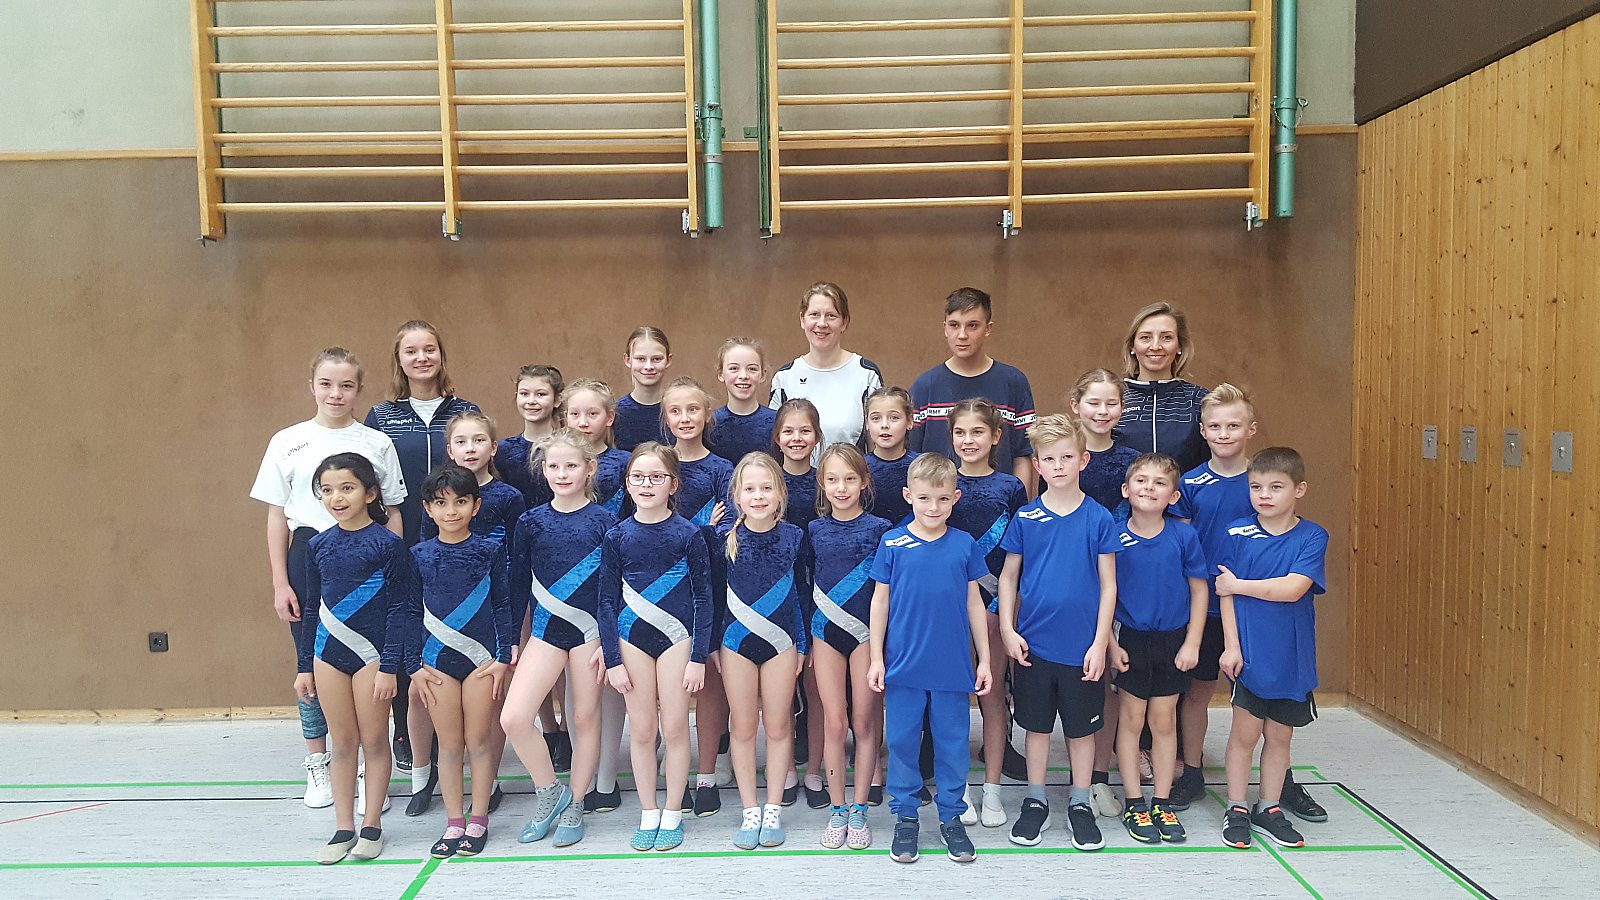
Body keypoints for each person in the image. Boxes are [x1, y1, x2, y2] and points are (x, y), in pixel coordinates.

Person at [251, 348, 406, 810]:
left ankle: (365, 769)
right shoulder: (287, 441)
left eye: (346, 385)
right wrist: (281, 582)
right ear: (312, 387)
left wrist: (393, 567)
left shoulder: (377, 442)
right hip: (309, 554)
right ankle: (319, 762)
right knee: (315, 661)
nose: (335, 394)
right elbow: (277, 516)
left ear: (359, 390)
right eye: (326, 384)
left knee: (371, 659)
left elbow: (394, 510)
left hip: (368, 560)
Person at [996, 414, 1121, 852]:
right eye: (1049, 459)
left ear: (1083, 460)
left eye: (1067, 457)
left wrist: (1101, 642)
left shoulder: (1099, 518)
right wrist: (1007, 629)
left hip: (1082, 648)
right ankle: (1035, 801)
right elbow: (1008, 577)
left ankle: (1080, 802)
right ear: (1037, 465)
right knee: (1035, 728)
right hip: (1034, 646)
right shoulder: (1026, 517)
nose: (1059, 465)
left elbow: (1109, 585)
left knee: (1081, 731)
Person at [363, 320, 479, 789]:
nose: (421, 358)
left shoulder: (465, 410)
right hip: (402, 540)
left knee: (451, 639)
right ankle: (408, 738)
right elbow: (371, 483)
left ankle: (458, 744)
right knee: (405, 634)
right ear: (399, 359)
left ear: (441, 355)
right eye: (411, 351)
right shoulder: (381, 416)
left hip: (454, 546)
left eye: (429, 349)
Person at [869, 453, 992, 865]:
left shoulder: (964, 545)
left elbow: (975, 603)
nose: (933, 507)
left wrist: (984, 660)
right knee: (902, 742)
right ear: (909, 496)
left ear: (955, 498)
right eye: (924, 498)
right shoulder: (892, 543)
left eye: (942, 499)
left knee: (953, 744)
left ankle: (952, 817)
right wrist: (876, 659)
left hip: (952, 667)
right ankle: (906, 817)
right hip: (903, 666)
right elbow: (880, 602)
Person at [293, 453, 411, 864]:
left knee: (374, 739)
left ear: (371, 493)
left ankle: (372, 824)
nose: (337, 498)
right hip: (328, 653)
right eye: (327, 490)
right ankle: (343, 827)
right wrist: (304, 665)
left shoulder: (389, 545)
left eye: (347, 488)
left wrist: (390, 667)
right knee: (342, 742)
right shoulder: (317, 545)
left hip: (372, 656)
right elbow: (312, 607)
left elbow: (399, 608)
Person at [597, 443, 713, 852]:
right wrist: (613, 659)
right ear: (628, 484)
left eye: (657, 477)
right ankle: (649, 811)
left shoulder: (689, 533)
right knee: (643, 730)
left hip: (677, 639)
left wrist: (698, 657)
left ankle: (674, 811)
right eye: (639, 477)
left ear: (673, 484)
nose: (647, 484)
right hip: (632, 640)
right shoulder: (616, 535)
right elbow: (606, 601)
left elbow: (703, 598)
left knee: (676, 727)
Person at [504, 429, 616, 848]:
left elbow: (614, 588)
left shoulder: (606, 522)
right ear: (543, 470)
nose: (562, 473)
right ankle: (551, 791)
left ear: (589, 468)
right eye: (554, 466)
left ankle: (577, 802)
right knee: (515, 717)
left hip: (590, 633)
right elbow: (518, 583)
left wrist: (609, 642)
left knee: (585, 719)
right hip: (546, 632)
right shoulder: (531, 521)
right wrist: (512, 638)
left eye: (571, 465)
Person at [1217, 447, 1329, 850]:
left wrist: (1239, 585)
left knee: (1280, 738)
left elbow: (1293, 588)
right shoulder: (1235, 533)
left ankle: (1268, 807)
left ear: (1299, 489)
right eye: (1256, 487)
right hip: (1249, 656)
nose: (1264, 495)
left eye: (1276, 487)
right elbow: (1223, 592)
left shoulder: (1313, 536)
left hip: (1291, 659)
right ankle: (1236, 808)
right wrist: (1231, 646)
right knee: (1244, 736)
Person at [405, 467, 515, 859]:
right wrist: (412, 665)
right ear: (428, 509)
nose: (451, 510)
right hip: (436, 663)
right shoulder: (418, 556)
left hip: (482, 661)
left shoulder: (490, 551)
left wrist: (503, 658)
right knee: (449, 744)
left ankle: (478, 818)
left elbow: (503, 604)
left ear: (475, 506)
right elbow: (408, 612)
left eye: (461, 501)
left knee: (479, 741)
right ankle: (453, 820)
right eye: (441, 503)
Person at [1167, 383, 1263, 811]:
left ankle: (1280, 777)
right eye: (1215, 426)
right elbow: (1181, 546)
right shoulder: (1190, 484)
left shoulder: (1263, 482)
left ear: (1250, 429)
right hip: (1204, 608)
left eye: (1234, 426)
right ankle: (1192, 771)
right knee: (1197, 692)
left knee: (1265, 695)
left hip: (1254, 605)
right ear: (1203, 431)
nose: (1224, 434)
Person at [1108, 453, 1207, 844]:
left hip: (1173, 641)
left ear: (1173, 495)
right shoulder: (1113, 536)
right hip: (1130, 640)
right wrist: (1111, 643)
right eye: (1141, 480)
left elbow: (1199, 590)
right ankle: (1135, 802)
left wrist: (1193, 642)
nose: (1149, 488)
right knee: (1131, 721)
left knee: (1164, 722)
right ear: (1125, 489)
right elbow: (1102, 594)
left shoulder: (1183, 536)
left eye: (1160, 482)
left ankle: (1162, 801)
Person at [718, 453, 809, 849]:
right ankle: (749, 810)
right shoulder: (721, 539)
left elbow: (802, 592)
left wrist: (802, 644)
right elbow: (711, 598)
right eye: (750, 489)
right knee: (742, 727)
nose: (758, 496)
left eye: (766, 488)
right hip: (735, 643)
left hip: (782, 642)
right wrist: (712, 647)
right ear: (737, 495)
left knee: (778, 726)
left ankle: (772, 809)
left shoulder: (794, 537)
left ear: (780, 494)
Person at [944, 398, 1028, 828]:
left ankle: (992, 787)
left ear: (996, 437)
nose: (968, 440)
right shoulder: (944, 481)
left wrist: (1004, 611)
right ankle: (957, 788)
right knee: (955, 698)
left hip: (996, 605)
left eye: (977, 432)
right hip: (949, 605)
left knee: (991, 695)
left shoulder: (1011, 487)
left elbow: (1017, 556)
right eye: (960, 432)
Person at [809, 444, 891, 850]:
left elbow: (886, 592)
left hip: (866, 635)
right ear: (822, 484)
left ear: (864, 482)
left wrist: (880, 646)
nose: (841, 488)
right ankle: (837, 808)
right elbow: (804, 581)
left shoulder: (881, 530)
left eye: (849, 479)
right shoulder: (813, 530)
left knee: (864, 722)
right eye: (832, 480)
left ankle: (859, 808)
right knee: (834, 722)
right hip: (824, 631)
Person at [661, 377, 735, 815]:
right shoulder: (657, 464)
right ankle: (675, 771)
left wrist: (705, 528)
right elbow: (649, 527)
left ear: (707, 415)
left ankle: (706, 772)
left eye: (693, 409)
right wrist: (702, 524)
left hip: (713, 584)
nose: (685, 418)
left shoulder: (722, 469)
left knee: (708, 679)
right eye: (676, 411)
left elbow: (728, 531)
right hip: (665, 589)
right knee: (670, 684)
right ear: (665, 417)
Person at [908, 288, 1036, 494]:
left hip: (998, 507)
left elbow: (1023, 454)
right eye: (954, 325)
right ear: (945, 328)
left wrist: (1019, 508)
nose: (962, 335)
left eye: (972, 326)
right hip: (938, 507)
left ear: (988, 328)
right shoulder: (925, 386)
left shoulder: (1014, 382)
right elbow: (913, 458)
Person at [770, 282, 884, 449]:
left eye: (831, 316)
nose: (822, 323)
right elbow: (776, 445)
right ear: (802, 319)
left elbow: (877, 447)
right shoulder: (784, 377)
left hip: (851, 467)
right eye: (814, 314)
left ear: (844, 322)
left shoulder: (866, 375)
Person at [1112, 302, 1209, 473]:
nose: (1155, 346)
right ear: (1132, 346)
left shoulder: (1199, 399)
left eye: (1166, 337)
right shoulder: (1113, 398)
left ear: (1179, 346)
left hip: (1184, 491)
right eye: (1145, 337)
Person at [1070, 369, 1141, 515]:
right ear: (1075, 405)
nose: (1103, 411)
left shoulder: (1135, 462)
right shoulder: (1061, 459)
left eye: (1111, 404)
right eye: (1093, 403)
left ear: (1122, 406)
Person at [497, 365, 564, 511]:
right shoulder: (504, 450)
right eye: (524, 394)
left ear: (557, 400)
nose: (531, 401)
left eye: (541, 394)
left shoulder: (567, 447)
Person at [563, 378, 631, 518]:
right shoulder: (555, 462)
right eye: (575, 414)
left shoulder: (626, 462)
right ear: (566, 417)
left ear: (610, 417)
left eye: (592, 414)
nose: (583, 423)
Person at [708, 337, 778, 464]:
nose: (743, 376)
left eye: (752, 369)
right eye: (734, 368)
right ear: (721, 374)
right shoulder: (710, 424)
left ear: (762, 375)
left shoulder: (777, 423)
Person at [615, 327, 673, 452]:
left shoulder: (679, 410)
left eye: (657, 359)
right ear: (627, 360)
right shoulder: (615, 413)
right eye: (640, 359)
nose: (649, 366)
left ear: (668, 360)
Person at [863, 387, 914, 526]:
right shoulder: (858, 467)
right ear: (867, 423)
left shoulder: (921, 466)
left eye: (894, 418)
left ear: (909, 421)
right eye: (876, 418)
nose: (884, 425)